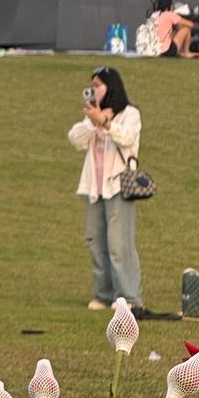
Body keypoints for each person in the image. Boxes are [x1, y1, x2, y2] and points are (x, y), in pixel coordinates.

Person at [68, 67, 144, 310]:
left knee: (119, 245)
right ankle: (103, 294)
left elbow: (128, 138)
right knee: (96, 242)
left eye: (98, 85)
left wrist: (107, 124)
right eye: (92, 85)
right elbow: (75, 139)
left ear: (111, 87)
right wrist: (94, 122)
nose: (94, 90)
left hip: (118, 187)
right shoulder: (92, 118)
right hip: (94, 187)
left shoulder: (129, 114)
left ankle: (128, 297)